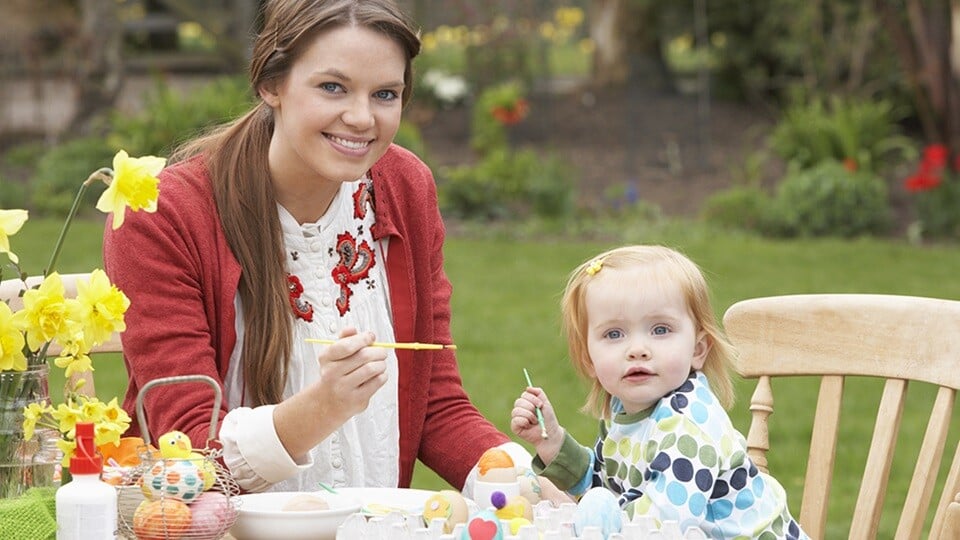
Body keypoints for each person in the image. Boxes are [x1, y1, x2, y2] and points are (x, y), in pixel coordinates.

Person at [103, 0, 543, 498]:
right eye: (333, 87)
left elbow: (436, 404)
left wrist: (530, 487)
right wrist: (324, 407)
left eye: (385, 94)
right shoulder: (165, 215)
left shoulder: (405, 187)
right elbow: (186, 446)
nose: (361, 118)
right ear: (271, 84)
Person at [510, 245, 808, 539]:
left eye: (660, 330)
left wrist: (587, 524)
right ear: (589, 359)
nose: (638, 350)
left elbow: (661, 525)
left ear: (698, 349)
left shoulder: (687, 428)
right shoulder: (628, 410)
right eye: (614, 334)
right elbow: (605, 486)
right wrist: (552, 442)